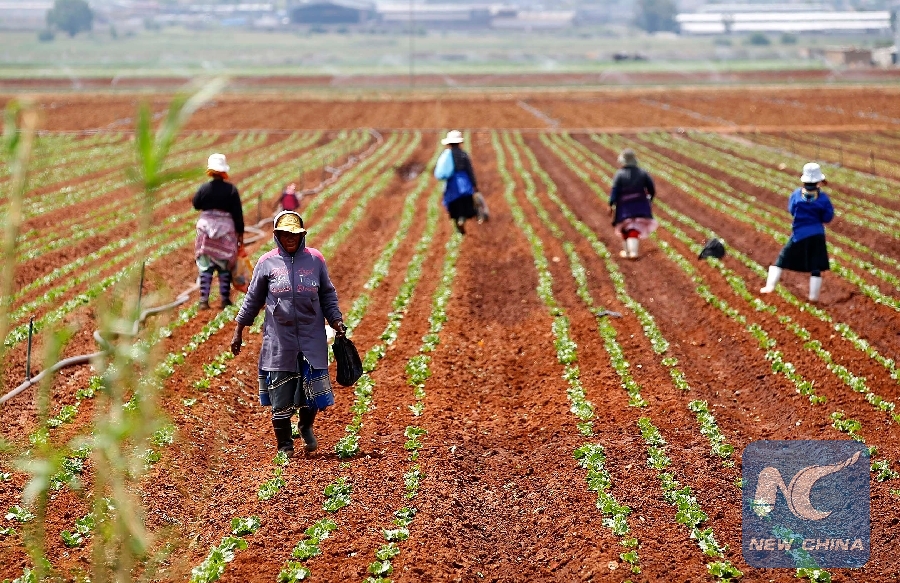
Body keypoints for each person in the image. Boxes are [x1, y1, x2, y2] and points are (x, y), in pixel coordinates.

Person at [231, 210, 347, 457]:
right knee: (280, 392)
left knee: (311, 390)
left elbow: (327, 294)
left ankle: (305, 425)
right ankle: (285, 445)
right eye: (285, 234)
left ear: (302, 235)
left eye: (295, 234)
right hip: (279, 338)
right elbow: (252, 298)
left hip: (311, 335)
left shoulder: (315, 260)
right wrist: (239, 329)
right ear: (277, 236)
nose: (290, 238)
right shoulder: (267, 263)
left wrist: (336, 320)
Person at [760, 162, 834, 302]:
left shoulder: (796, 195)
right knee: (815, 266)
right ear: (818, 181)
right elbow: (827, 217)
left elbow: (792, 210)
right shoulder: (823, 198)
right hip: (817, 235)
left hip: (799, 234)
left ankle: (770, 286)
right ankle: (813, 297)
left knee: (781, 259)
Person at [193, 153, 244, 310]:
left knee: (205, 267)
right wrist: (240, 233)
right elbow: (237, 213)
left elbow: (196, 204)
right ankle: (224, 300)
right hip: (225, 232)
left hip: (206, 232)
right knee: (224, 266)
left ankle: (203, 300)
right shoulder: (231, 190)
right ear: (223, 172)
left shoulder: (204, 188)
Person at [607, 148, 657, 259]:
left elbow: (615, 191)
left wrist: (611, 204)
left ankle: (630, 252)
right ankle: (631, 252)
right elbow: (651, 189)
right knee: (634, 227)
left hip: (624, 206)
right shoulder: (642, 173)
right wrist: (649, 200)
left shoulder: (620, 174)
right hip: (640, 204)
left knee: (625, 227)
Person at [434, 130, 481, 234]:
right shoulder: (463, 154)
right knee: (466, 203)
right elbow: (470, 170)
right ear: (459, 142)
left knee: (454, 205)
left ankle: (458, 223)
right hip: (464, 182)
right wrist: (474, 184)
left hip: (452, 183)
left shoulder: (447, 155)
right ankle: (463, 218)